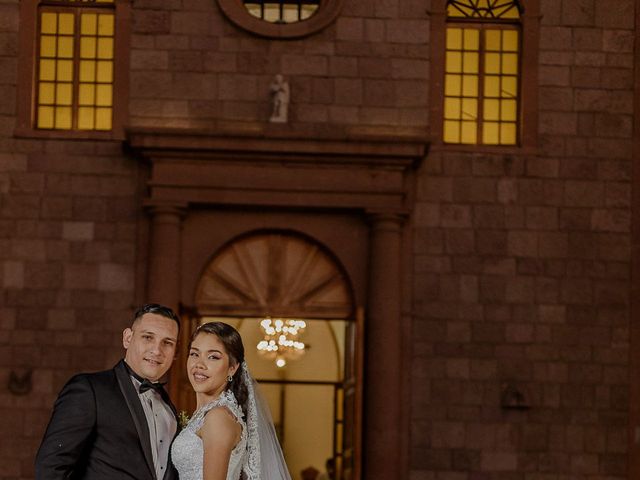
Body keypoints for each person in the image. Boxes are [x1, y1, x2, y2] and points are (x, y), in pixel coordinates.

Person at [35, 303, 181, 480]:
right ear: (127, 338)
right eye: (148, 337)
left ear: (175, 352)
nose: (157, 350)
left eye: (167, 342)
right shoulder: (90, 390)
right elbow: (51, 468)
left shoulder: (169, 409)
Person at [171, 321, 291, 480]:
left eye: (213, 357)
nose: (199, 364)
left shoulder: (218, 417)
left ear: (232, 368)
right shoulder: (211, 414)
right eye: (194, 354)